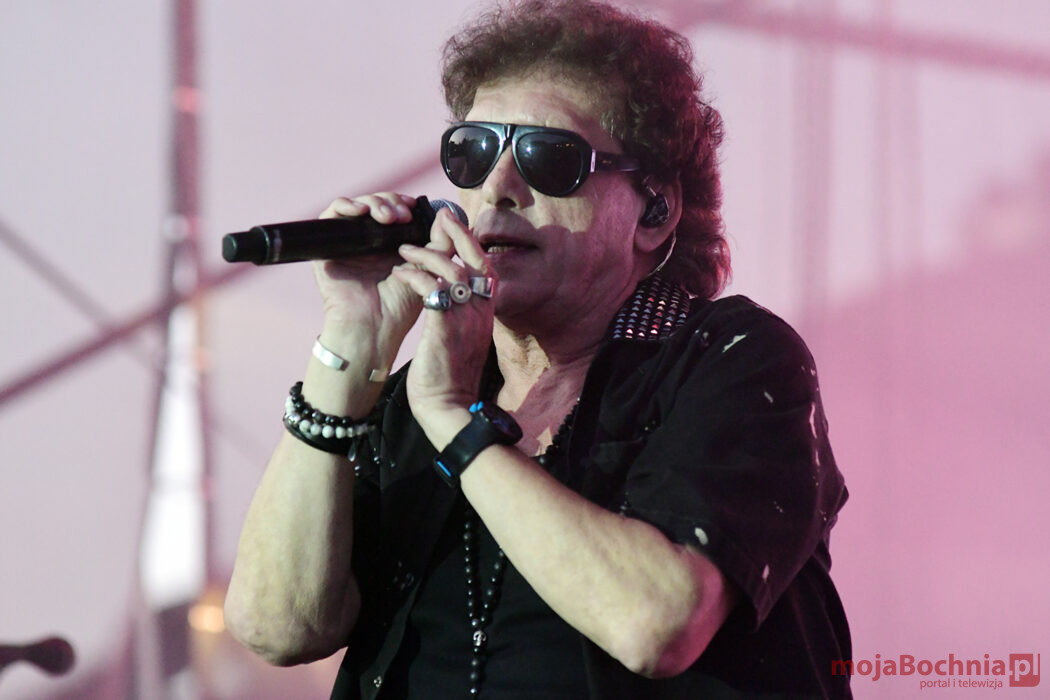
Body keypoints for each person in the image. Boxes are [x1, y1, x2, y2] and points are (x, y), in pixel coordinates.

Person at [224, 1, 852, 697]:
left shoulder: (733, 359)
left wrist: (457, 422)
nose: (497, 188)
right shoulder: (415, 398)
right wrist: (349, 351)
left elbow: (655, 623)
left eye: (549, 158)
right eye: (472, 152)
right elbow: (278, 627)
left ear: (654, 212)